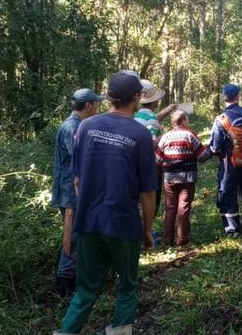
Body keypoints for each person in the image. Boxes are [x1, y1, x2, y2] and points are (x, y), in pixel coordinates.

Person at [54, 72, 158, 335]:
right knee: (127, 285)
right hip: (123, 223)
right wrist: (147, 230)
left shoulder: (85, 128)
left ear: (109, 96)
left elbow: (77, 180)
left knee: (86, 289)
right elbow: (148, 192)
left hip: (88, 221)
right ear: (136, 97)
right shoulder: (140, 134)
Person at [50, 88, 103, 297]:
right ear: (88, 106)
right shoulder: (72, 128)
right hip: (70, 195)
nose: (98, 107)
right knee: (71, 239)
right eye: (96, 104)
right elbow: (80, 160)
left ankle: (76, 280)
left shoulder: (78, 125)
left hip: (75, 192)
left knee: (79, 237)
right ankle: (64, 288)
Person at [207, 84, 242, 236]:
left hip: (229, 163)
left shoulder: (221, 120)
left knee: (227, 193)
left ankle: (232, 228)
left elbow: (215, 146)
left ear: (223, 98)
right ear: (238, 96)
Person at [156, 110, 208, 247]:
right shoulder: (190, 135)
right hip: (187, 177)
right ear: (184, 120)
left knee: (170, 208)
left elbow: (158, 159)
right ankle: (182, 240)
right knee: (183, 208)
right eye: (187, 119)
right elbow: (202, 157)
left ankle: (167, 240)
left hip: (169, 178)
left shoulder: (165, 137)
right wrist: (212, 149)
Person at [134, 82, 176, 216]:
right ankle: (146, 231)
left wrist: (168, 110)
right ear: (155, 102)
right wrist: (166, 136)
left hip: (136, 163)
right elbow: (151, 142)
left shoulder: (139, 115)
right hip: (149, 165)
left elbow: (153, 120)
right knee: (150, 199)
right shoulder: (151, 119)